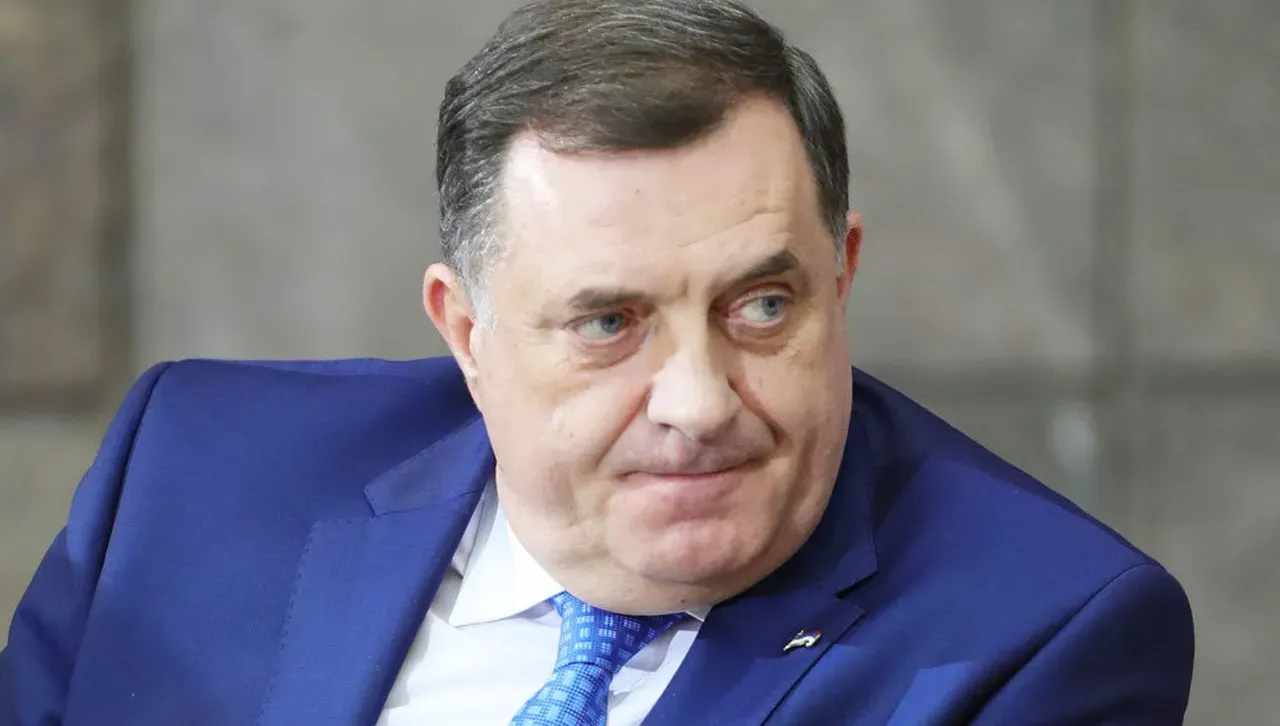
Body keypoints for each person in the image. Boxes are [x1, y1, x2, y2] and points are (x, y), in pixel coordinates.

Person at [0, 0, 1194, 724]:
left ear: (841, 275)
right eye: (609, 323)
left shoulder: (1037, 640)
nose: (698, 403)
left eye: (760, 305)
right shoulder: (193, 472)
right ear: (466, 332)